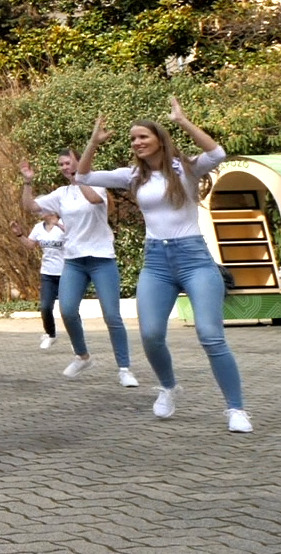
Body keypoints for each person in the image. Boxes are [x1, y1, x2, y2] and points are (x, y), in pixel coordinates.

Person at [77, 98, 251, 432]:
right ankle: (168, 388)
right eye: (132, 139)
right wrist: (93, 143)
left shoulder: (183, 167)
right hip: (156, 261)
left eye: (142, 136)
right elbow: (82, 177)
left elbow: (217, 154)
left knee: (210, 335)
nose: (137, 143)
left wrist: (182, 120)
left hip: (194, 259)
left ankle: (236, 409)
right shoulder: (132, 176)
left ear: (159, 138)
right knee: (151, 334)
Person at [20, 152, 137, 386]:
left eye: (68, 163)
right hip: (74, 260)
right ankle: (82, 356)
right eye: (61, 165)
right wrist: (27, 182)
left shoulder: (97, 184)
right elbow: (30, 206)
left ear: (79, 163)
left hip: (101, 258)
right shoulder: (61, 194)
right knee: (68, 310)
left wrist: (80, 178)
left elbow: (94, 200)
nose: (65, 167)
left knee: (112, 316)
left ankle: (124, 369)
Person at [12, 211, 66, 349]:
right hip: (47, 274)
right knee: (45, 307)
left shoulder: (65, 224)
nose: (39, 211)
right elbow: (30, 245)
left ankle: (77, 339)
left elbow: (76, 238)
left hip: (67, 273)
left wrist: (59, 225)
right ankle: (51, 334)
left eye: (43, 208)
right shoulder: (38, 227)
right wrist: (19, 234)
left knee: (68, 310)